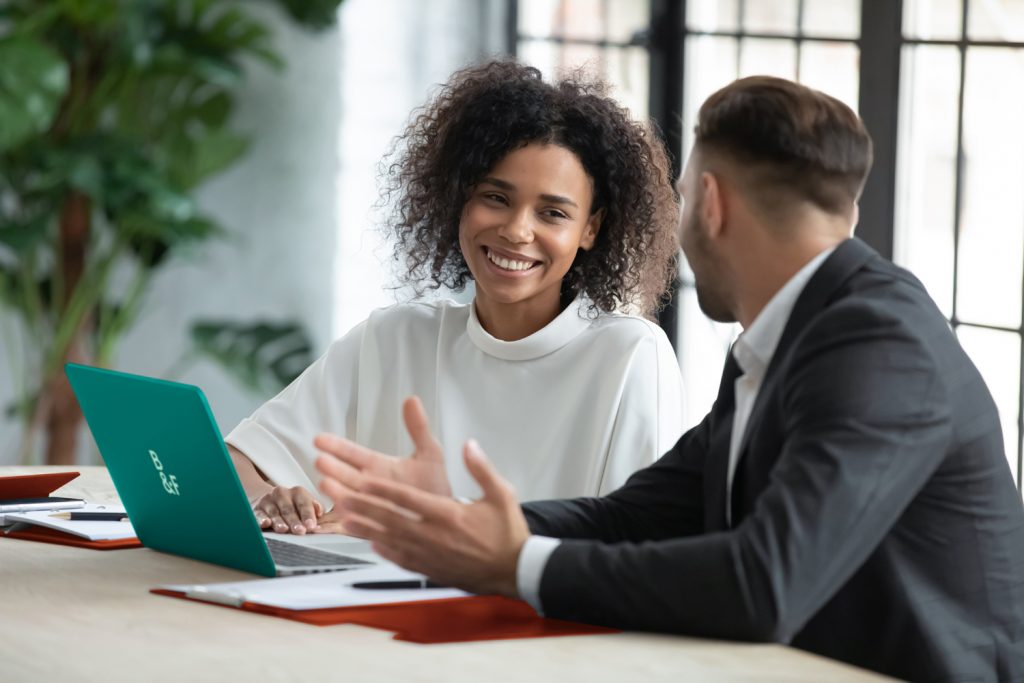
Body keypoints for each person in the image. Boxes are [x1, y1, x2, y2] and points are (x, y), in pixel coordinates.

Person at [313, 76, 1024, 682]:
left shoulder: (878, 345)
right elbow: (634, 515)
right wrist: (465, 526)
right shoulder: (784, 339)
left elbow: (762, 583)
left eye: (681, 198)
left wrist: (517, 563)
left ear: (710, 204)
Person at [226, 60, 684, 537]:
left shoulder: (629, 357)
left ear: (591, 228)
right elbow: (232, 460)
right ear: (460, 198)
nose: (516, 230)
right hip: (366, 605)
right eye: (496, 198)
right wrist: (267, 498)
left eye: (552, 212)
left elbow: (638, 549)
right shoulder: (395, 337)